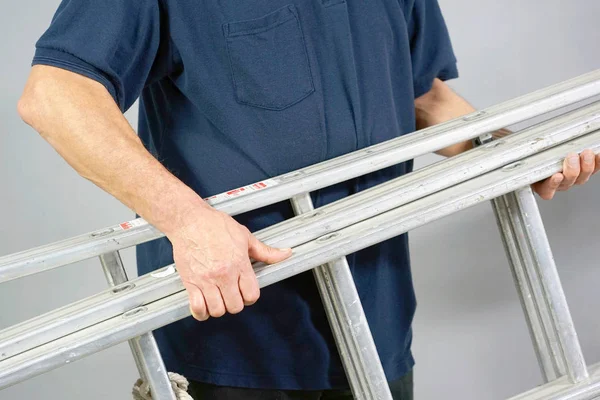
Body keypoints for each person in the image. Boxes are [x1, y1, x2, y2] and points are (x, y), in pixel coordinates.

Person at [17, 1, 598, 399]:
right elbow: (56, 94)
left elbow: (423, 94)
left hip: (376, 321)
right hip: (235, 330)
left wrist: (516, 154)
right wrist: (187, 221)